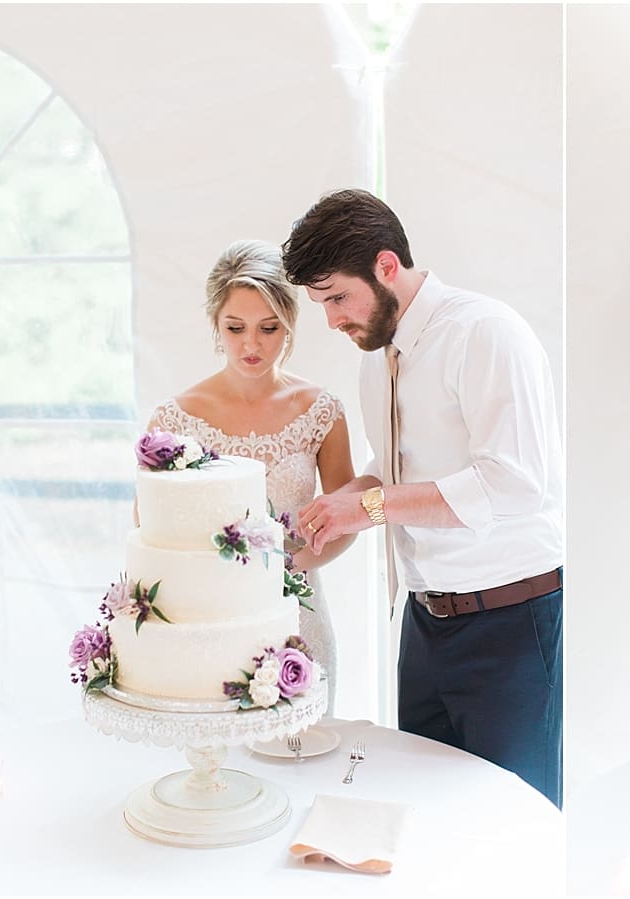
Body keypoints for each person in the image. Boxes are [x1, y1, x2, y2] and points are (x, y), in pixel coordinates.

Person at [283, 189, 565, 807]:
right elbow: (393, 474)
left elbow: (515, 484)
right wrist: (334, 510)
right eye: (320, 303)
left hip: (510, 623)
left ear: (386, 266)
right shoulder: (374, 360)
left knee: (515, 818)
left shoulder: (485, 333)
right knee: (427, 813)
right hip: (424, 622)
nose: (331, 320)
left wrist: (369, 507)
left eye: (337, 297)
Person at [146, 239, 356, 711]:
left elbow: (346, 521)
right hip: (209, 621)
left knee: (303, 757)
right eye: (235, 327)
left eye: (269, 328)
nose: (251, 345)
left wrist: (289, 570)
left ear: (290, 325)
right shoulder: (174, 419)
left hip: (298, 616)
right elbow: (150, 526)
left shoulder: (321, 411)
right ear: (216, 325)